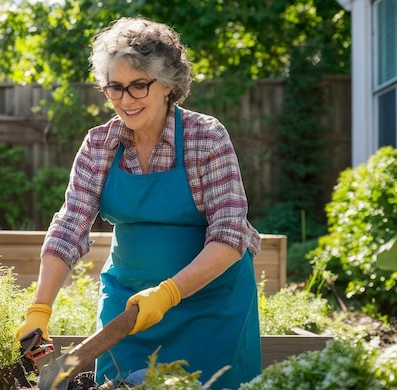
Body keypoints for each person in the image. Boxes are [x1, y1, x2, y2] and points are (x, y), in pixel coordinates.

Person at [16, 16, 262, 389]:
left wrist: (169, 292)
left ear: (167, 84)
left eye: (138, 86)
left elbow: (229, 236)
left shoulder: (205, 138)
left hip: (210, 305)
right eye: (115, 88)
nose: (125, 101)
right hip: (128, 308)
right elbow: (70, 225)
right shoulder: (100, 145)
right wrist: (40, 308)